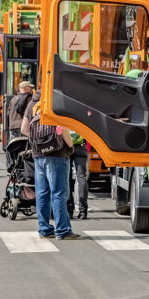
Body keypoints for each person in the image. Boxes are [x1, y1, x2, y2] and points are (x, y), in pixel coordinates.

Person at [22, 103, 80, 240]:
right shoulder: (55, 102)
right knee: (58, 192)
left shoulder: (33, 105)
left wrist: (40, 142)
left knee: (42, 192)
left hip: (38, 154)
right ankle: (63, 230)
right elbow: (63, 129)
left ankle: (44, 229)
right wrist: (70, 146)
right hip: (57, 154)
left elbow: (24, 129)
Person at [68, 131, 89, 219]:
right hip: (81, 146)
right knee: (81, 178)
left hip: (67, 146)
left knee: (67, 179)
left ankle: (69, 210)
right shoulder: (83, 115)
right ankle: (83, 211)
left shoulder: (66, 116)